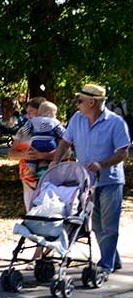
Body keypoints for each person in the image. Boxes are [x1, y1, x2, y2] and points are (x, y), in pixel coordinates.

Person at [51, 84, 130, 279]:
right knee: (96, 226)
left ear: (92, 102)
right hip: (86, 181)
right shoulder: (77, 119)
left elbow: (123, 152)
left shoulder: (116, 122)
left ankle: (105, 265)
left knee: (109, 225)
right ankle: (112, 258)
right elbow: (65, 142)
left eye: (80, 101)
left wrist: (102, 164)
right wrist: (55, 161)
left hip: (110, 180)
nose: (77, 104)